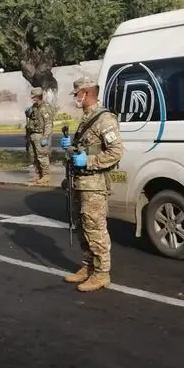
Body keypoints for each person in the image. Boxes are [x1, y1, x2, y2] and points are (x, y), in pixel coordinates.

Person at [59, 77, 124, 292]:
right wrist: (71, 148)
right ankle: (88, 266)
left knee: (95, 228)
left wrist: (89, 161)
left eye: (77, 94)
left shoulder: (104, 119)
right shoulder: (86, 118)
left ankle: (102, 272)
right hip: (80, 182)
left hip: (95, 185)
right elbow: (85, 148)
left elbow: (115, 152)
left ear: (85, 93)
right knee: (82, 227)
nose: (76, 99)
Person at [25, 87, 54, 186]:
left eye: (34, 97)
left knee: (42, 156)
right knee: (34, 156)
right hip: (32, 134)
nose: (32, 99)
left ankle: (46, 175)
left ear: (38, 97)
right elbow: (31, 118)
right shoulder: (34, 107)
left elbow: (48, 124)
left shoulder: (44, 108)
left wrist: (45, 138)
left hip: (40, 135)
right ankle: (38, 174)